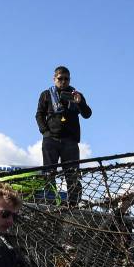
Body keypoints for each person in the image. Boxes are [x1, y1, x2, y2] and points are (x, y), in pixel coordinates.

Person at [35, 66, 92, 204]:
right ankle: (49, 202)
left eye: (66, 79)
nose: (63, 81)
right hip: (51, 140)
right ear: (54, 79)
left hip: (70, 141)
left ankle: (73, 204)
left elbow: (87, 114)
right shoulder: (46, 94)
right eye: (60, 78)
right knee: (49, 173)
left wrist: (80, 102)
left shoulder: (76, 94)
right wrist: (45, 131)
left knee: (72, 174)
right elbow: (39, 115)